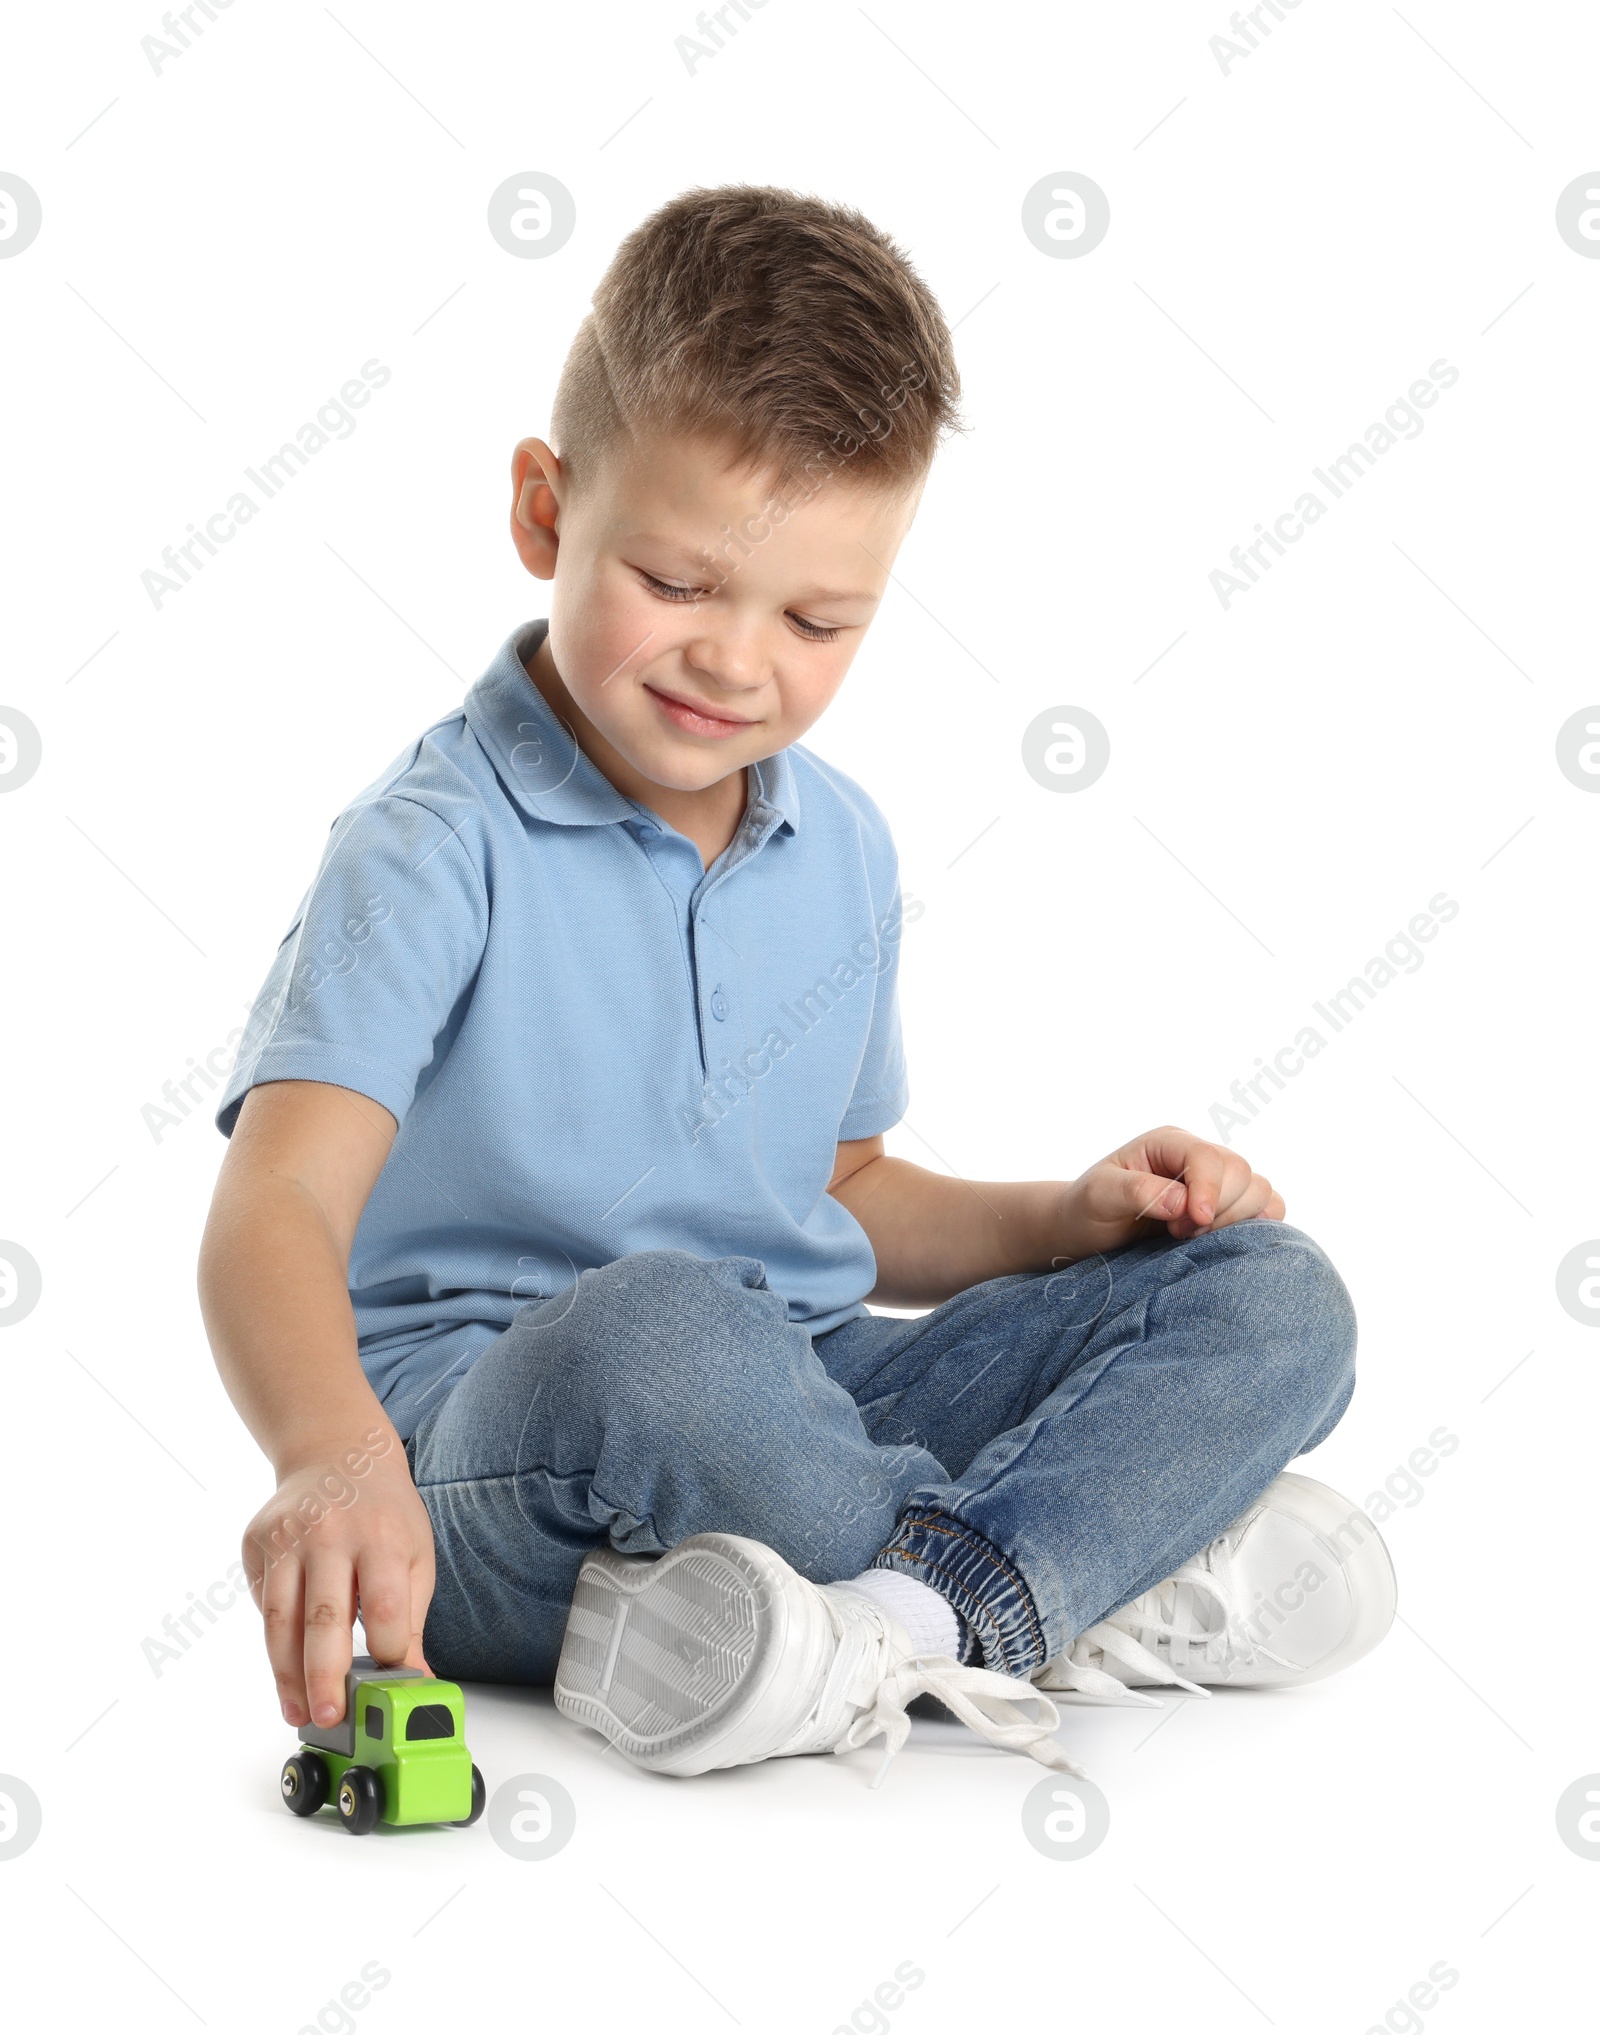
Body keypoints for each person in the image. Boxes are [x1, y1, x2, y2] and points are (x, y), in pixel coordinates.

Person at [199, 183, 1394, 1789]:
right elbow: (273, 1208)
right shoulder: (433, 845)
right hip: (500, 1462)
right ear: (549, 512)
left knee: (1274, 1294)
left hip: (821, 1396)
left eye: (820, 618)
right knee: (669, 1337)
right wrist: (330, 1461)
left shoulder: (836, 841)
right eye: (682, 584)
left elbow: (842, 1190)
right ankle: (1070, 1568)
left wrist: (1070, 1218)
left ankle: (909, 1612)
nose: (739, 661)